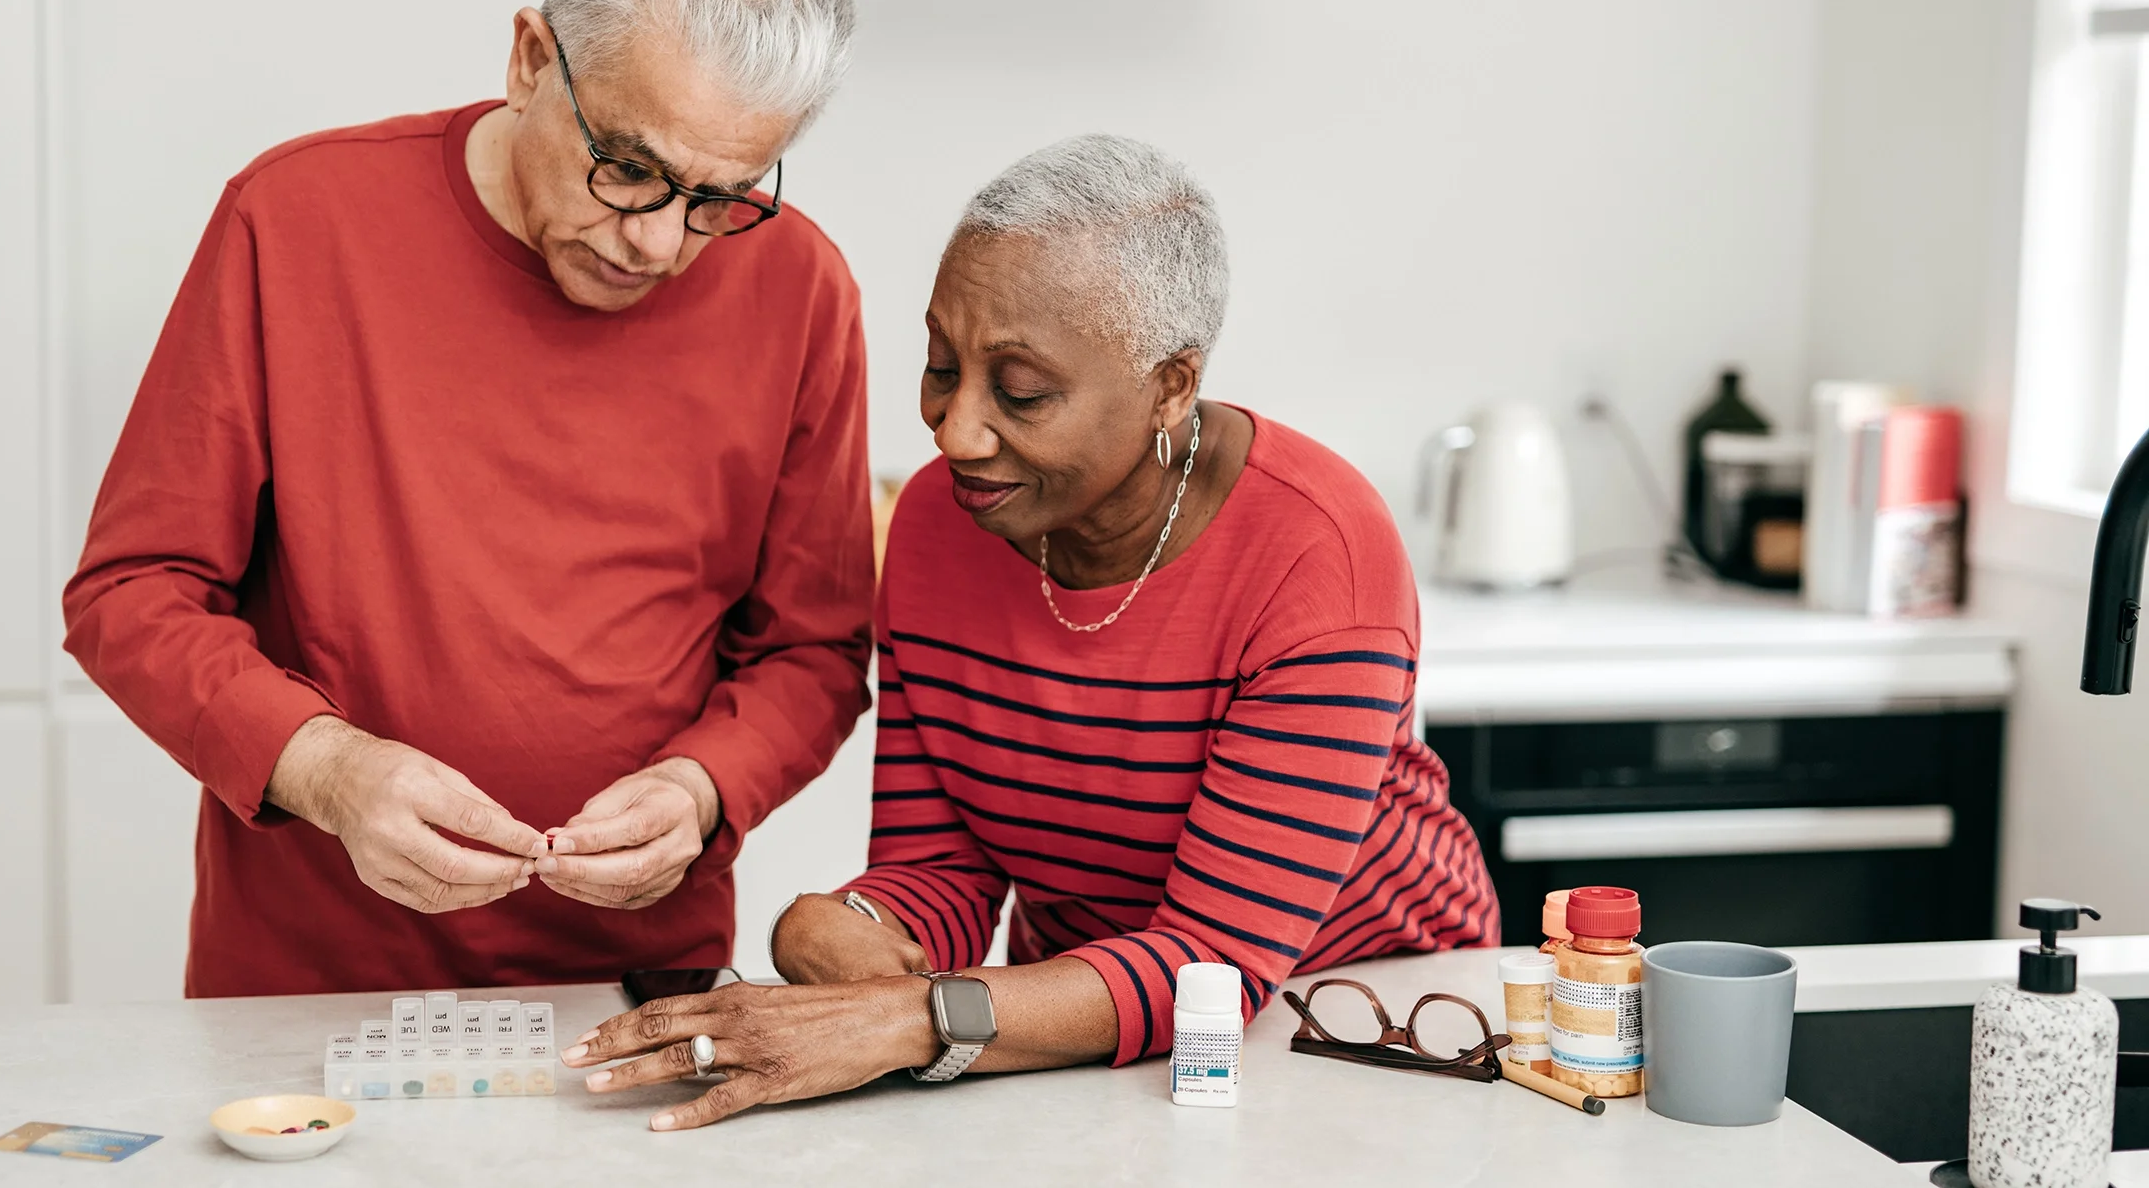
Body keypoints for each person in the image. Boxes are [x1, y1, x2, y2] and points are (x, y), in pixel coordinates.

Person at [562, 135, 1500, 1130]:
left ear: (1170, 386)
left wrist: (907, 1020)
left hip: (1382, 1029)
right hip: (1094, 1037)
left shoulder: (1317, 560)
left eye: (1020, 393)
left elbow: (1211, 964)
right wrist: (842, 928)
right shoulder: (938, 524)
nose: (955, 430)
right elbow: (949, 870)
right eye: (939, 364)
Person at [62, 0, 872, 997]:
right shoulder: (296, 221)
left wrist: (704, 785)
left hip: (638, 984)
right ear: (532, 60)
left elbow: (813, 649)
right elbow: (132, 593)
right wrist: (330, 771)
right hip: (310, 986)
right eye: (628, 168)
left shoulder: (800, 289)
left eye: (718, 198)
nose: (656, 242)